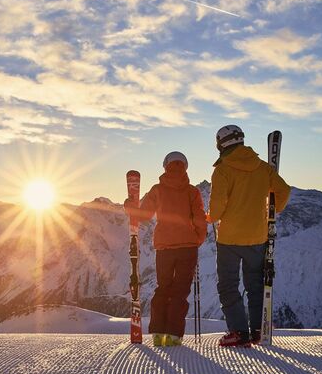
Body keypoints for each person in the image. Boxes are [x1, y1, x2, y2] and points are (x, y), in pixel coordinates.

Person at [208, 125, 291, 347]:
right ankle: (257, 330)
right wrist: (273, 211)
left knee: (228, 285)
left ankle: (237, 332)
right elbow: (284, 190)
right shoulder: (263, 168)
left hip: (228, 239)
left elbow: (217, 207)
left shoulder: (222, 170)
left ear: (221, 144)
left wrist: (209, 218)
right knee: (255, 285)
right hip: (257, 236)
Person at [124, 151, 207, 347]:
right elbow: (200, 219)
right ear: (185, 167)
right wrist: (197, 239)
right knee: (180, 292)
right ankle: (173, 335)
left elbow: (143, 215)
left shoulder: (157, 189)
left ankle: (158, 332)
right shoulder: (192, 192)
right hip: (188, 248)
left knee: (163, 289)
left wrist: (129, 205)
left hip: (164, 248)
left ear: (165, 166)